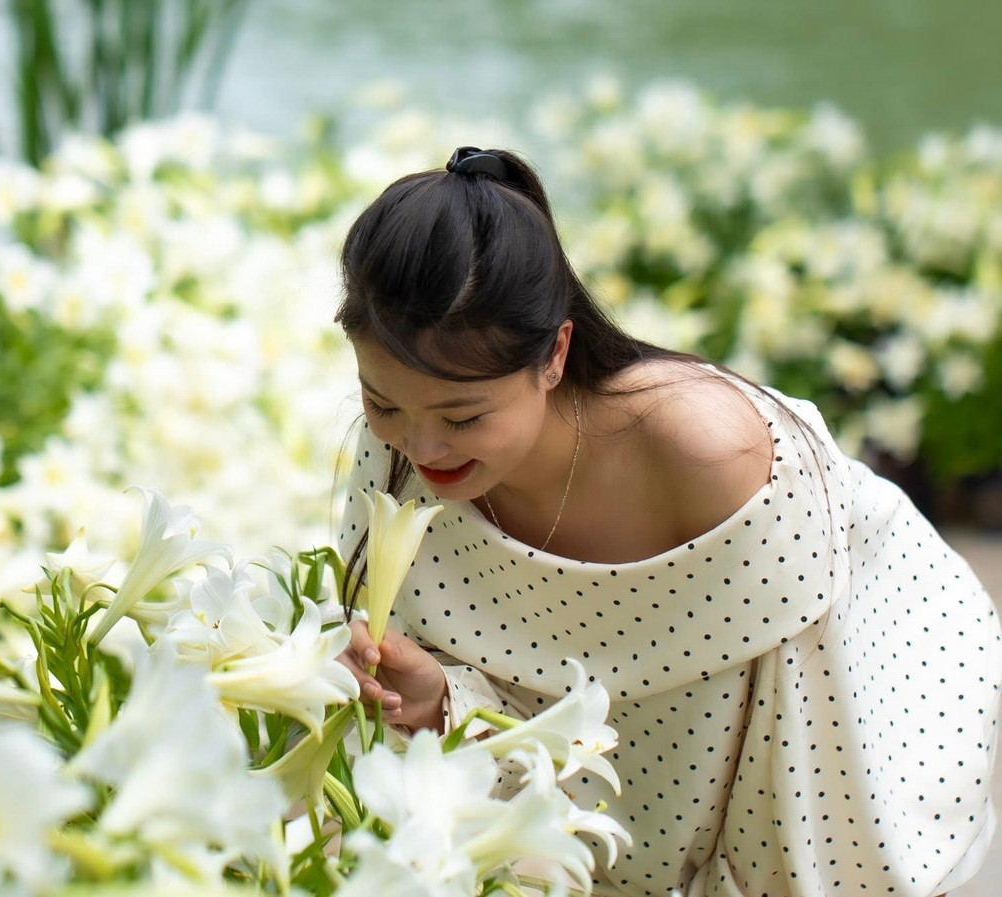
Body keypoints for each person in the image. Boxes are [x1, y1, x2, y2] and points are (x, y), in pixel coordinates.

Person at [333, 146, 1001, 896]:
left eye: (464, 414)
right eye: (383, 401)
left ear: (554, 354)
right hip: (606, 786)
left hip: (850, 676)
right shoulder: (394, 454)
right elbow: (504, 711)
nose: (422, 448)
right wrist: (434, 701)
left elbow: (792, 748)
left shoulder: (710, 451)